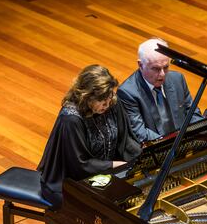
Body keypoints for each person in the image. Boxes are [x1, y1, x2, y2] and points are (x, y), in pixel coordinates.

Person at [37, 64, 142, 210]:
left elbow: (126, 139)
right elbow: (78, 164)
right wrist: (112, 165)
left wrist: (141, 158)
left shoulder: (112, 103)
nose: (107, 103)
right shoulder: (71, 119)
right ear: (86, 96)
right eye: (101, 100)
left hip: (106, 173)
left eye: (109, 95)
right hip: (71, 180)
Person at [117, 38, 203, 143]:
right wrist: (172, 145)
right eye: (156, 69)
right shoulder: (127, 93)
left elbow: (192, 112)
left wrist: (202, 135)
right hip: (157, 148)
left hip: (185, 141)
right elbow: (140, 132)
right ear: (140, 65)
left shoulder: (177, 79)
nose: (162, 74)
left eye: (166, 67)